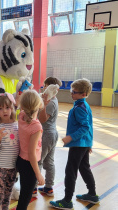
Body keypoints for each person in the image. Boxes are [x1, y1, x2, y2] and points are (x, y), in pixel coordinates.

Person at [50, 79, 99, 209]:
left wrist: (71, 137)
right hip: (83, 144)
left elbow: (85, 127)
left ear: (83, 94)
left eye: (74, 92)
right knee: (84, 168)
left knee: (70, 171)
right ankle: (92, 194)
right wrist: (88, 144)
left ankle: (67, 201)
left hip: (78, 144)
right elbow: (89, 126)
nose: (71, 94)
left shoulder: (79, 108)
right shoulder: (83, 105)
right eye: (72, 91)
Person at [16, 90, 45, 210]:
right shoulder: (36, 127)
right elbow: (32, 153)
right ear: (38, 105)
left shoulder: (21, 115)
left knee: (24, 193)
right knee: (25, 198)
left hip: (21, 161)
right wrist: (38, 174)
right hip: (30, 165)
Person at [33, 77, 62, 197]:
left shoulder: (50, 102)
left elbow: (43, 119)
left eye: (45, 86)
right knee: (49, 162)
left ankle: (33, 188)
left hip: (47, 135)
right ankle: (48, 188)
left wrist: (43, 105)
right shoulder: (52, 99)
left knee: (38, 161)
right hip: (51, 134)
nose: (43, 88)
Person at [0, 93, 19, 210]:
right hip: (0, 167)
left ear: (12, 108)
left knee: (8, 194)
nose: (5, 111)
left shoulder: (17, 125)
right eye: (1, 108)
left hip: (13, 167)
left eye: (7, 107)